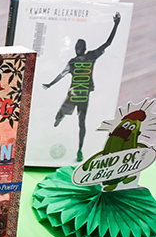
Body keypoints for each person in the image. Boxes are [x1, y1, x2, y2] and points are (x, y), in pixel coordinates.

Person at [43, 13, 122, 161]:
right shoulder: (72, 61)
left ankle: (79, 149)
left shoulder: (91, 55)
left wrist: (116, 25)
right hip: (73, 93)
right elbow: (62, 74)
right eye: (77, 46)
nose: (78, 48)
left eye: (80, 46)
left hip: (83, 94)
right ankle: (56, 124)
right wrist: (50, 84)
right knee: (60, 115)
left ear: (84, 48)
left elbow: (107, 43)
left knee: (81, 121)